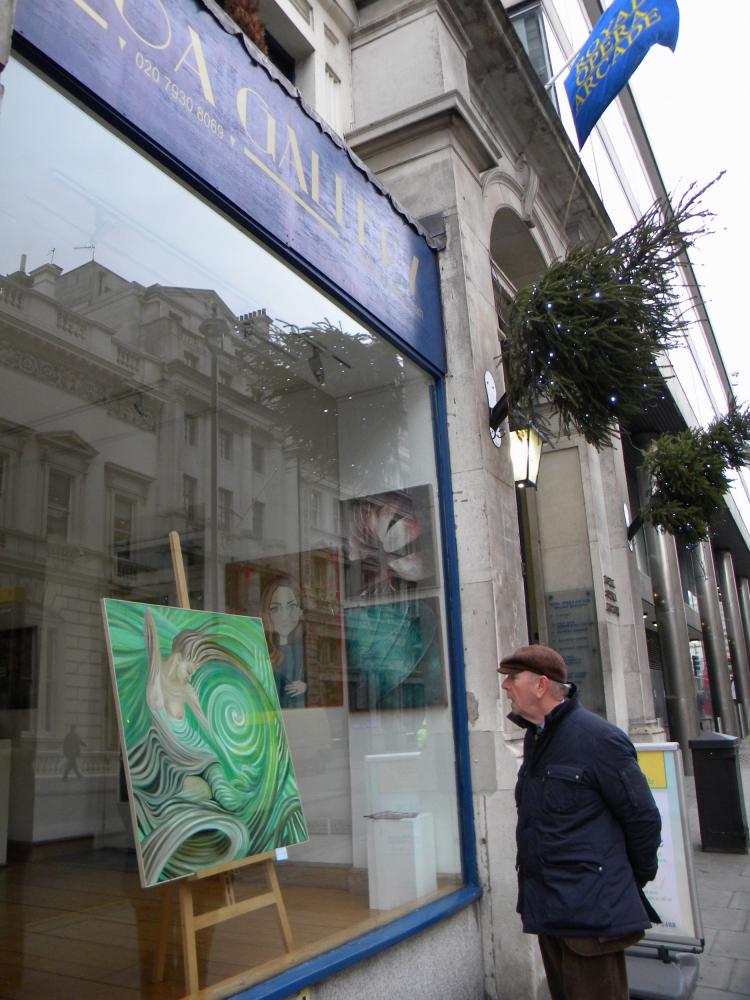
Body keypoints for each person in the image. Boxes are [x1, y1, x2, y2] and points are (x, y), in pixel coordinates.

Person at [498, 644, 662, 1000]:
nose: (505, 686)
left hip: (591, 917)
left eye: (512, 678)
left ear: (541, 685)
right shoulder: (537, 736)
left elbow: (643, 819)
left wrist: (621, 881)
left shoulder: (598, 739)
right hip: (550, 911)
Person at [261, 576, 307, 708]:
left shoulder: (301, 648)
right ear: (266, 614)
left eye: (291, 606)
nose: (285, 616)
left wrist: (304, 686)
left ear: (300, 611)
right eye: (276, 608)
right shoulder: (263, 652)